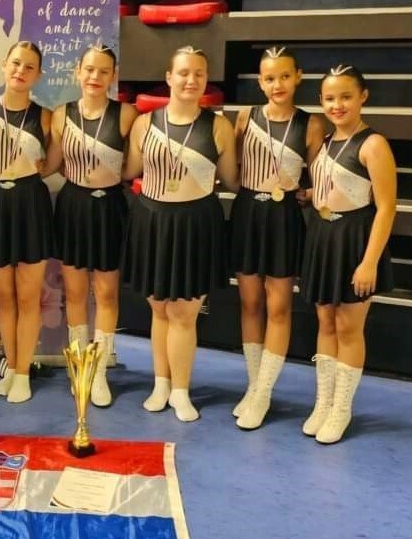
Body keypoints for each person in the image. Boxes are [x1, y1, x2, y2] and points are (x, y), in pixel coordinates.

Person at [122, 46, 239, 422]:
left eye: (199, 74)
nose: (191, 80)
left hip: (196, 223)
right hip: (153, 220)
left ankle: (181, 391)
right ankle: (161, 383)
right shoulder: (144, 124)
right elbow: (129, 171)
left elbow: (233, 180)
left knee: (184, 313)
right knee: (159, 308)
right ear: (169, 77)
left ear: (206, 80)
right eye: (184, 73)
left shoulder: (219, 127)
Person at [299, 65, 396, 444]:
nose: (336, 105)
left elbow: (386, 207)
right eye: (329, 98)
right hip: (323, 237)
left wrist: (369, 262)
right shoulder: (327, 140)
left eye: (345, 97)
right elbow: (340, 184)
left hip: (355, 240)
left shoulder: (373, 144)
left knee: (348, 328)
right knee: (325, 324)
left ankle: (342, 408)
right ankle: (323, 402)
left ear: (362, 97)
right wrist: (312, 195)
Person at [230, 46, 324, 430]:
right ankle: (254, 386)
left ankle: (264, 393)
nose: (277, 84)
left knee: (279, 306)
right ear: (260, 81)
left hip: (284, 217)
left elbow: (320, 177)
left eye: (285, 76)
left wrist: (308, 193)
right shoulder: (245, 117)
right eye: (269, 78)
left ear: (298, 76)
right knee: (250, 303)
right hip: (248, 212)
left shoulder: (310, 124)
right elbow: (233, 166)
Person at [44, 43, 138, 407]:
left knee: (107, 293)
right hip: (73, 206)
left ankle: (99, 371)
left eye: (103, 71)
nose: (95, 77)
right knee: (75, 293)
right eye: (89, 70)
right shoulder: (61, 115)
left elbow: (134, 165)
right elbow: (52, 162)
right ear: (77, 72)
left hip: (109, 207)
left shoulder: (126, 114)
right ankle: (79, 366)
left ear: (113, 76)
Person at [0, 41, 54, 404]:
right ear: (4, 65)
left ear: (38, 75)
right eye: (16, 64)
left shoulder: (47, 117)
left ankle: (23, 373)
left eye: (29, 67)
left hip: (30, 205)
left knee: (28, 296)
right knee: (4, 298)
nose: (21, 71)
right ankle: (11, 364)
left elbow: (56, 162)